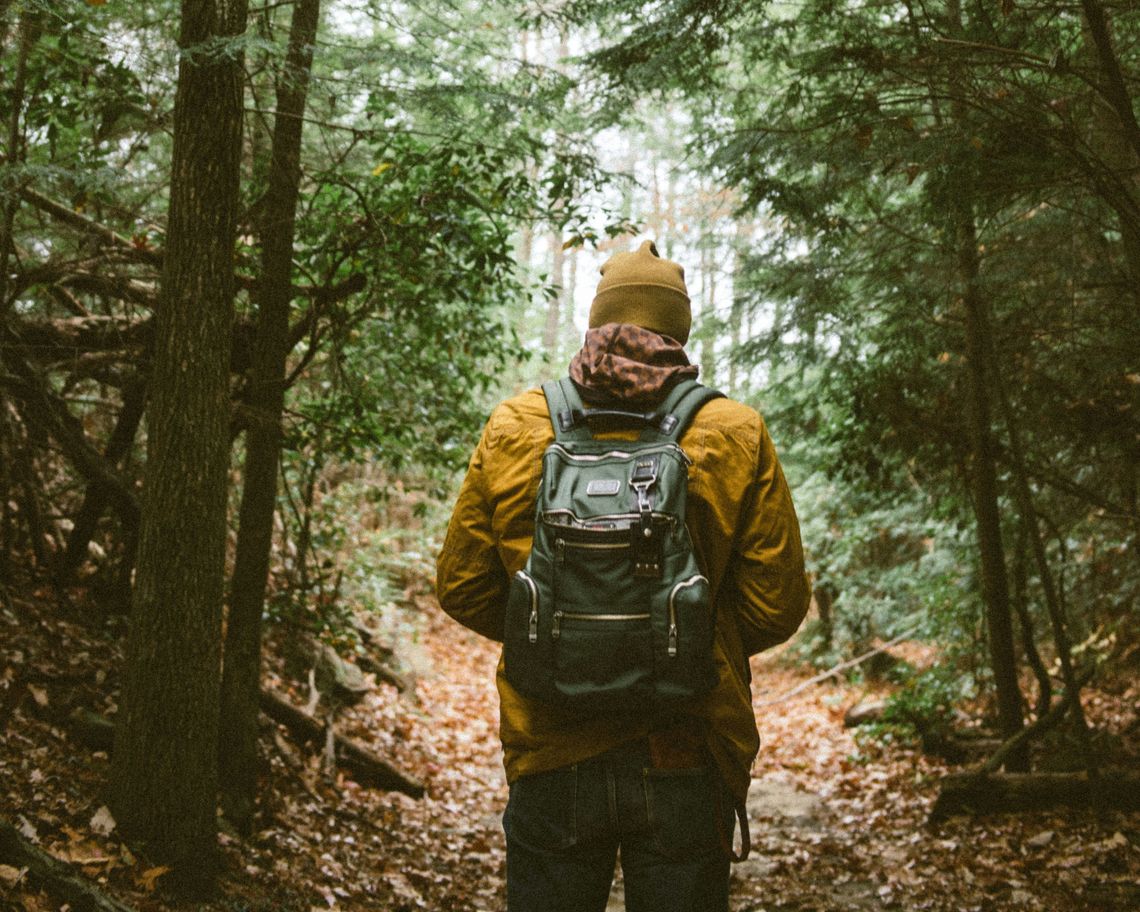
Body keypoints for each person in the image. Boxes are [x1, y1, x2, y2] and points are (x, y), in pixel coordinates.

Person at [436, 239, 810, 912]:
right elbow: (777, 604)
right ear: (678, 330)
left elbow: (462, 586)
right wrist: (679, 637)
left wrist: (553, 634)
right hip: (685, 742)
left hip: (551, 741)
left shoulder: (518, 425)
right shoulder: (734, 430)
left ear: (597, 323)